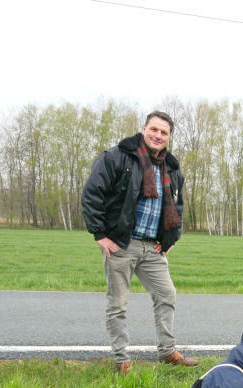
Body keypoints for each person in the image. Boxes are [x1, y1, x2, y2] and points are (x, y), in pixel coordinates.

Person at [81, 111, 197, 374]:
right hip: (122, 244)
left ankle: (167, 352)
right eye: (154, 130)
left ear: (169, 137)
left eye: (164, 132)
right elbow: (91, 194)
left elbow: (177, 208)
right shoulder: (117, 157)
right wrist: (100, 234)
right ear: (144, 129)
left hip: (153, 247)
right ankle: (122, 360)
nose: (158, 136)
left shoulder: (172, 169)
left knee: (167, 295)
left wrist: (171, 238)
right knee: (118, 304)